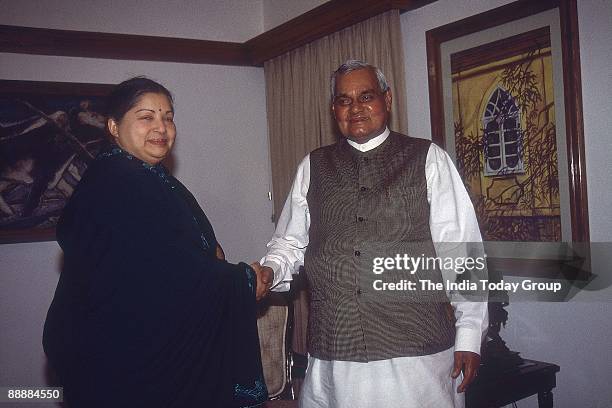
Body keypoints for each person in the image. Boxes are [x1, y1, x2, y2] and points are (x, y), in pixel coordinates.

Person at [254, 60, 488, 408]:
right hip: (335, 353)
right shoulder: (313, 167)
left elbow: (461, 252)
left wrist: (469, 336)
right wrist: (270, 271)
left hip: (416, 356)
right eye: (344, 100)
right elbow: (288, 243)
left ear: (387, 100)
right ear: (334, 108)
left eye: (366, 96)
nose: (356, 108)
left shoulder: (428, 159)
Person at [43, 77, 268, 408]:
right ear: (114, 127)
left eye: (168, 116)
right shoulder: (121, 184)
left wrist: (214, 262)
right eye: (146, 117)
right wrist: (244, 281)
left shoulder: (147, 177)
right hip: (124, 359)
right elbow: (168, 273)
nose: (161, 127)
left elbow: (182, 251)